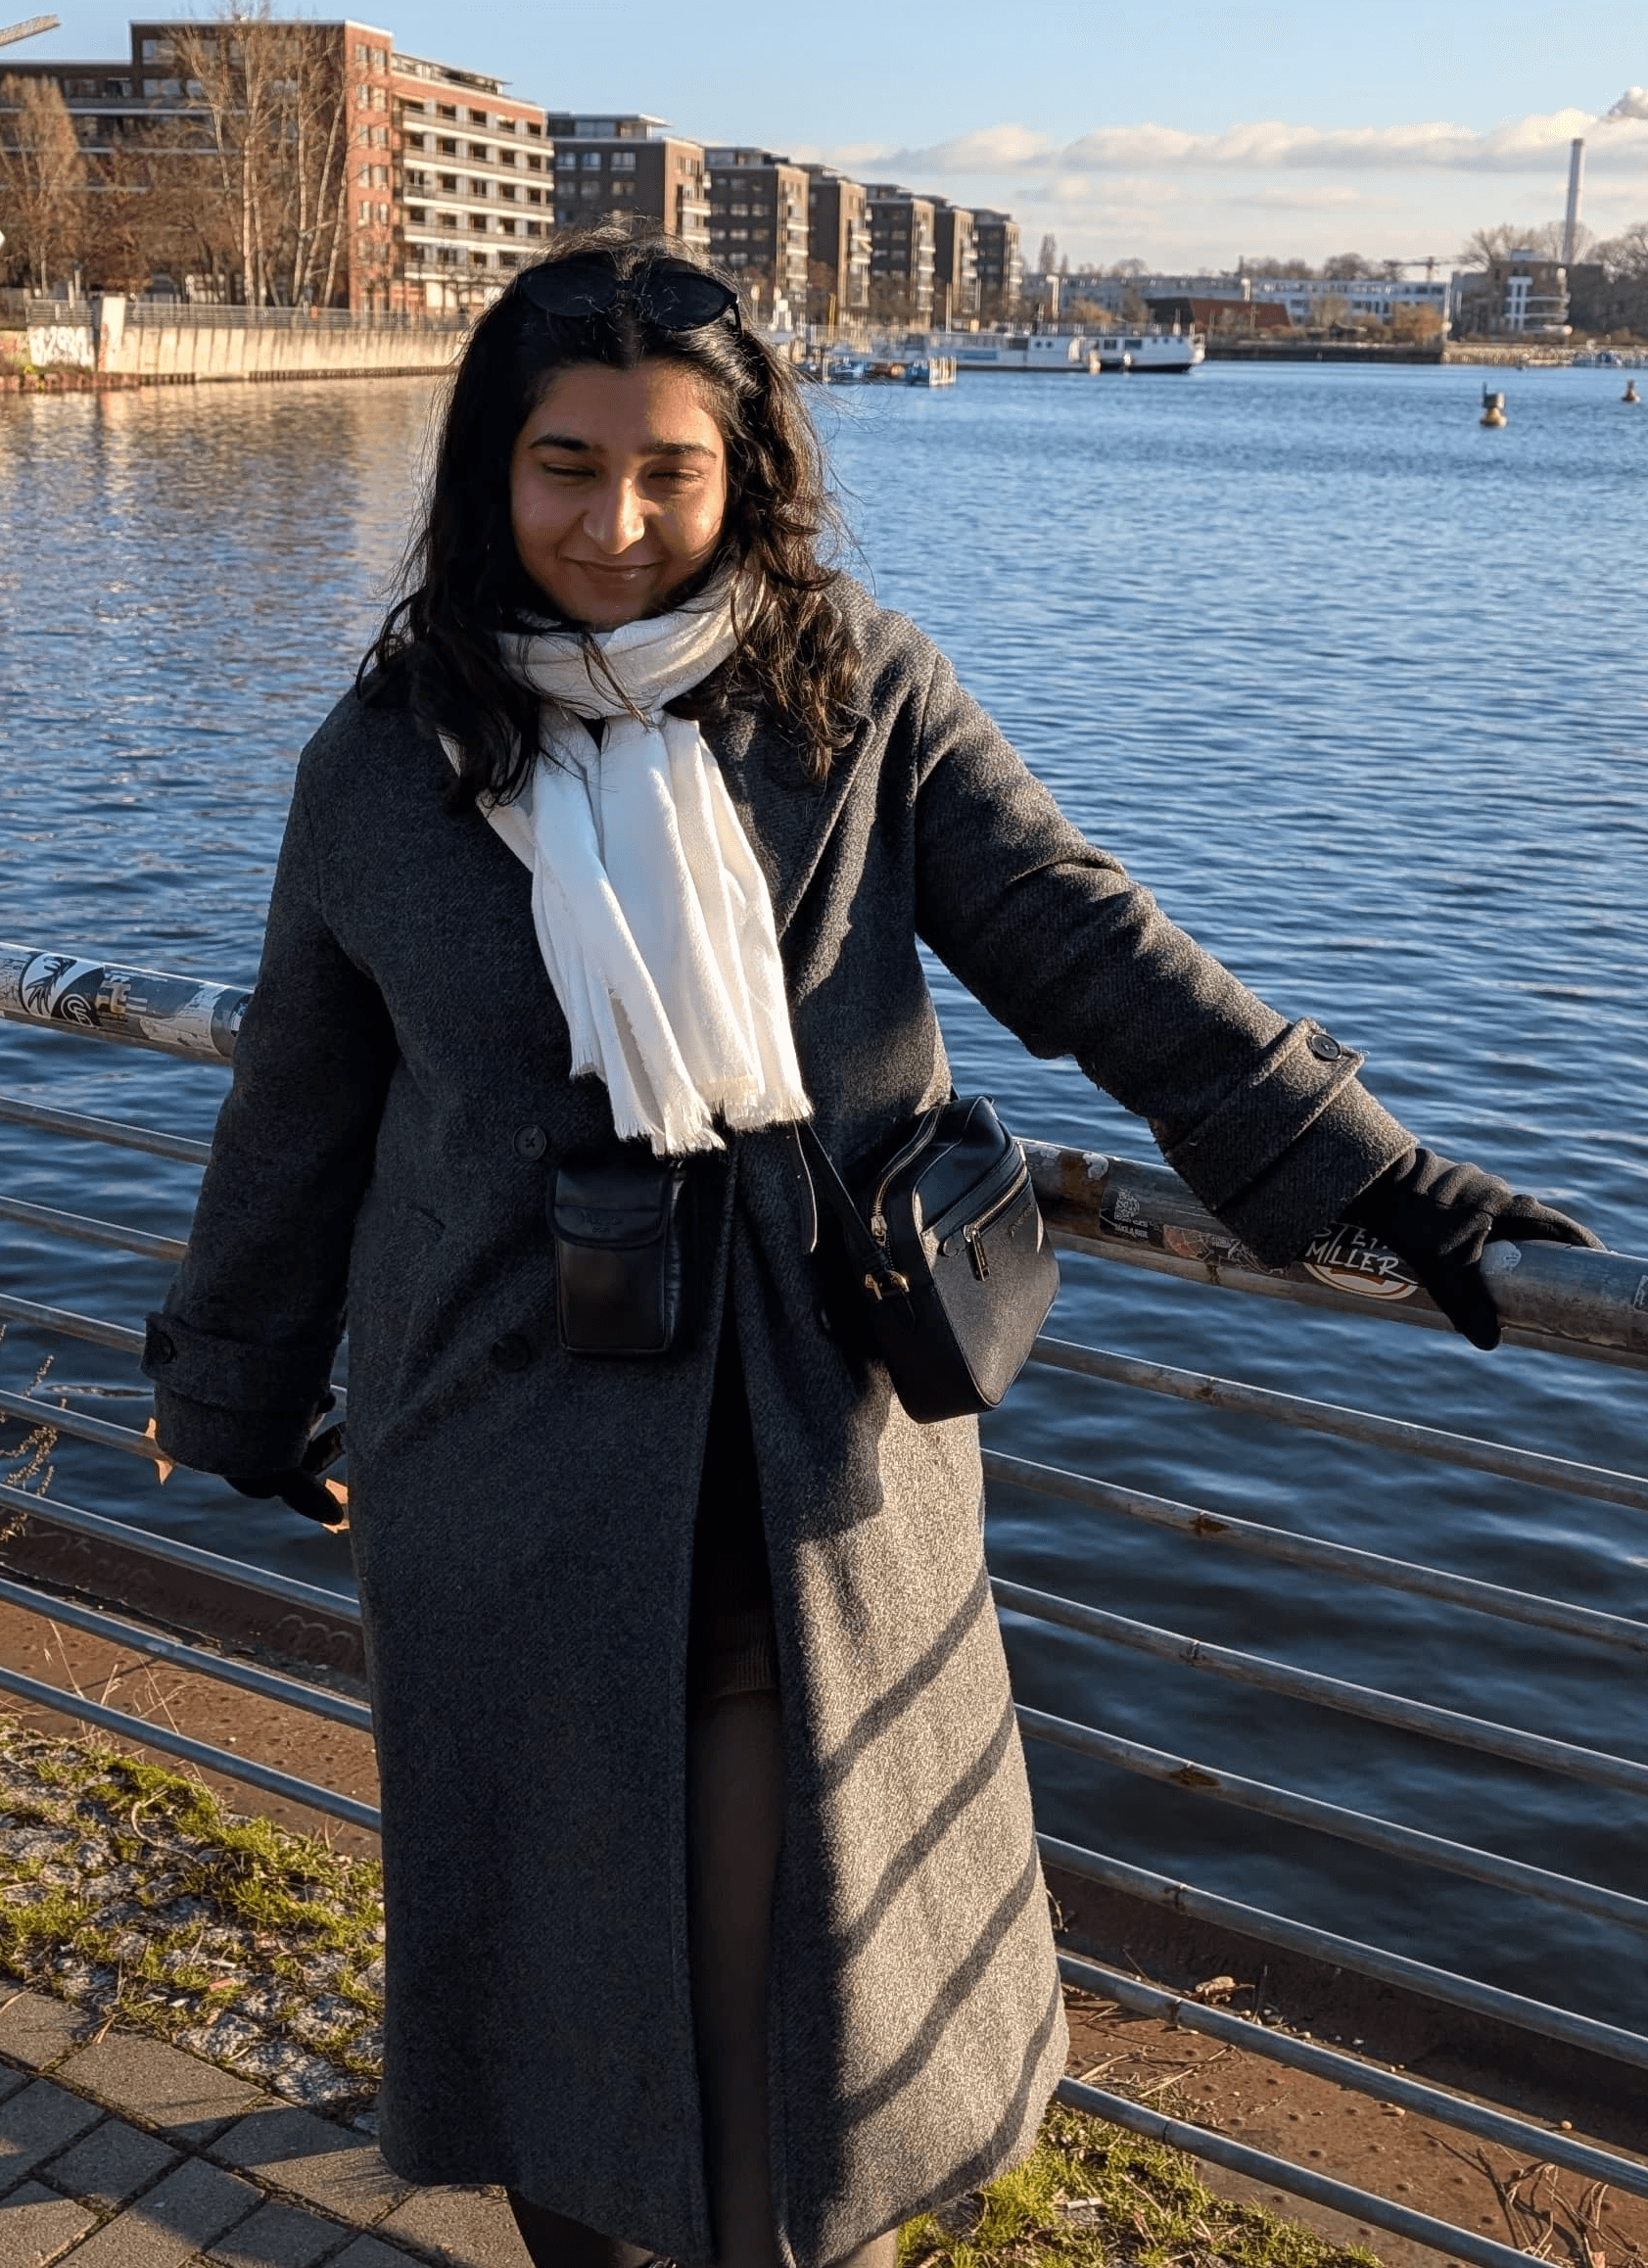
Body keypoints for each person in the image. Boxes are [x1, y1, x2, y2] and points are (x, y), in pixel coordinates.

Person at [142, 231, 1599, 2268]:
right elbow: (301, 1101)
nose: (617, 523)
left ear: (748, 473)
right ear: (490, 469)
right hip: (503, 1463)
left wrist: (1370, 1165)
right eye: (566, 465)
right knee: (560, 1969)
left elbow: (1087, 941)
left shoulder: (859, 698)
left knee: (792, 2009)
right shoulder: (387, 755)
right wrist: (231, 1385)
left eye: (670, 469)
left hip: (819, 1447)